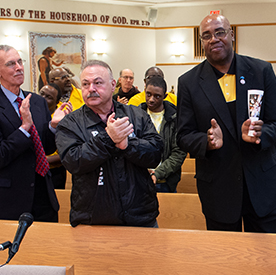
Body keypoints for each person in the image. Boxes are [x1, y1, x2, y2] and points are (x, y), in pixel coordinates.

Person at [176, 14, 276, 233]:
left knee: (270, 264)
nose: (214, 39)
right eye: (206, 35)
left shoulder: (262, 71)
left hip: (265, 189)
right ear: (202, 42)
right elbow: (183, 136)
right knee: (227, 264)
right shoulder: (188, 83)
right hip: (219, 193)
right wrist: (206, 141)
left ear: (231, 35)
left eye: (220, 32)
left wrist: (260, 133)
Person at [56, 59, 162, 227]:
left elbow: (156, 153)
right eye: (85, 84)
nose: (91, 89)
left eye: (98, 83)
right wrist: (108, 138)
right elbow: (73, 161)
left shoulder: (137, 115)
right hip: (93, 218)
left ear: (113, 85)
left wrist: (128, 145)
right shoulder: (70, 124)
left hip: (140, 216)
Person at [0, 45, 71, 222]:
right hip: (9, 201)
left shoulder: (37, 101)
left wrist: (54, 125)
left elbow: (46, 148)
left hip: (42, 197)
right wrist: (24, 127)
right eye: (11, 64)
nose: (19, 67)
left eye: (20, 62)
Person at [139, 76, 186, 193]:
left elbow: (179, 153)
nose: (151, 99)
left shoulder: (175, 118)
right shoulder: (136, 116)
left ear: (165, 96)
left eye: (157, 96)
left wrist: (158, 173)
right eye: (148, 94)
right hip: (140, 179)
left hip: (165, 182)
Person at [39, 83, 67, 189]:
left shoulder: (62, 120)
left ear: (56, 103)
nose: (43, 98)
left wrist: (41, 159)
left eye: (49, 97)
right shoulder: (32, 116)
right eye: (41, 94)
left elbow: (65, 153)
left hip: (54, 172)